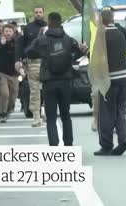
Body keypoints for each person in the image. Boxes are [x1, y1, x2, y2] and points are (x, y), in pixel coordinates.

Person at [26, 12, 86, 146]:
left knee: (51, 117)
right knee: (66, 114)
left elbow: (29, 52)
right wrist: (74, 55)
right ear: (60, 22)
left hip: (49, 82)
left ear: (49, 22)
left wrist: (39, 41)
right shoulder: (68, 39)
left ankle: (54, 145)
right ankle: (68, 144)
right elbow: (78, 53)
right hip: (65, 81)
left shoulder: (42, 39)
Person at [90, 11, 126, 132]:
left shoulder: (117, 31)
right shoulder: (98, 31)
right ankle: (119, 132)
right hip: (115, 75)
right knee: (101, 99)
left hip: (108, 74)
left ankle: (108, 135)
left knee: (110, 106)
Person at [94, 9, 126, 156]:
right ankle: (124, 138)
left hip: (108, 80)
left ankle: (106, 145)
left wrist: (85, 50)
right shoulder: (120, 33)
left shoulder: (101, 35)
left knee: (106, 113)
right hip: (124, 78)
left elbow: (96, 58)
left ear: (101, 20)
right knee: (120, 111)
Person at [16, 7, 47, 127]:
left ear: (43, 13)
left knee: (48, 91)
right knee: (34, 92)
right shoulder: (27, 28)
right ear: (33, 14)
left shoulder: (48, 27)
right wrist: (18, 60)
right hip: (32, 62)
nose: (38, 14)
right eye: (36, 12)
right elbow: (20, 44)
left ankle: (48, 114)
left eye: (40, 12)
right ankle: (36, 117)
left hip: (46, 62)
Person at [0, 24, 19, 123]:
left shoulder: (17, 43)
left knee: (13, 96)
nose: (8, 33)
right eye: (6, 31)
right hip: (2, 73)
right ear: (3, 32)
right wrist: (1, 45)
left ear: (13, 32)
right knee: (5, 94)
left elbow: (21, 54)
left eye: (10, 31)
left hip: (14, 73)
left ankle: (8, 110)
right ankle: (3, 114)